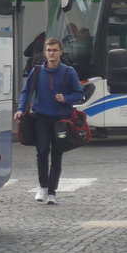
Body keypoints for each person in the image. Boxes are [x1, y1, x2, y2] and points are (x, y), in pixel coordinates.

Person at [15, 37, 84, 205]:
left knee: (57, 155)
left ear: (60, 52)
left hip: (61, 120)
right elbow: (26, 91)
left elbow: (79, 94)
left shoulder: (68, 72)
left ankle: (52, 192)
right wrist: (20, 109)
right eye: (48, 50)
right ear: (45, 52)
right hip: (41, 118)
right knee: (42, 151)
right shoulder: (37, 71)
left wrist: (66, 98)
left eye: (54, 50)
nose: (51, 53)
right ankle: (43, 187)